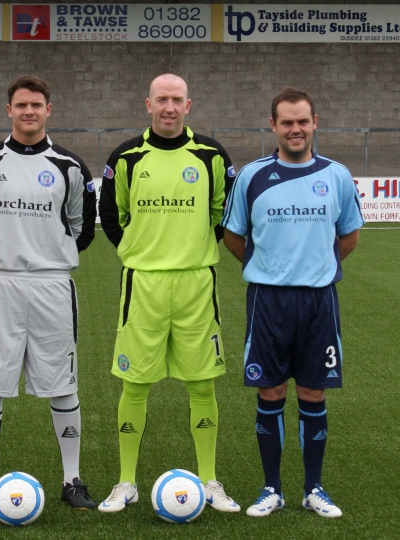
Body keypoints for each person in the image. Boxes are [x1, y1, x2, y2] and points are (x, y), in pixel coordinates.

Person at [97, 74, 240, 513]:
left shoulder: (211, 155)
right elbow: (111, 213)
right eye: (162, 99)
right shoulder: (127, 157)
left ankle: (210, 481)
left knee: (202, 383)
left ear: (188, 105)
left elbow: (223, 212)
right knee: (135, 384)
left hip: (196, 283)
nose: (169, 107)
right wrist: (139, 251)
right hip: (143, 283)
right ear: (148, 104)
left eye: (177, 99)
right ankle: (126, 482)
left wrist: (193, 247)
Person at [0, 75, 97, 511]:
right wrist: (9, 251)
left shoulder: (69, 166)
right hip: (0, 283)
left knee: (62, 383)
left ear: (48, 110)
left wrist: (45, 253)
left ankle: (72, 479)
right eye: (21, 105)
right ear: (9, 110)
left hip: (52, 284)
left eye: (36, 104)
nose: (29, 111)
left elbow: (82, 229)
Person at [222, 87, 363, 518]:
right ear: (273, 126)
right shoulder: (252, 176)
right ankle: (272, 489)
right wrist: (270, 267)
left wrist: (316, 267)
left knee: (313, 391)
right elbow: (233, 235)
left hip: (319, 301)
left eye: (303, 121)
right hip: (268, 300)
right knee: (270, 389)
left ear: (315, 122)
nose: (295, 129)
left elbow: (350, 235)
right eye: (287, 122)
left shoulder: (337, 175)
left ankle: (314, 488)